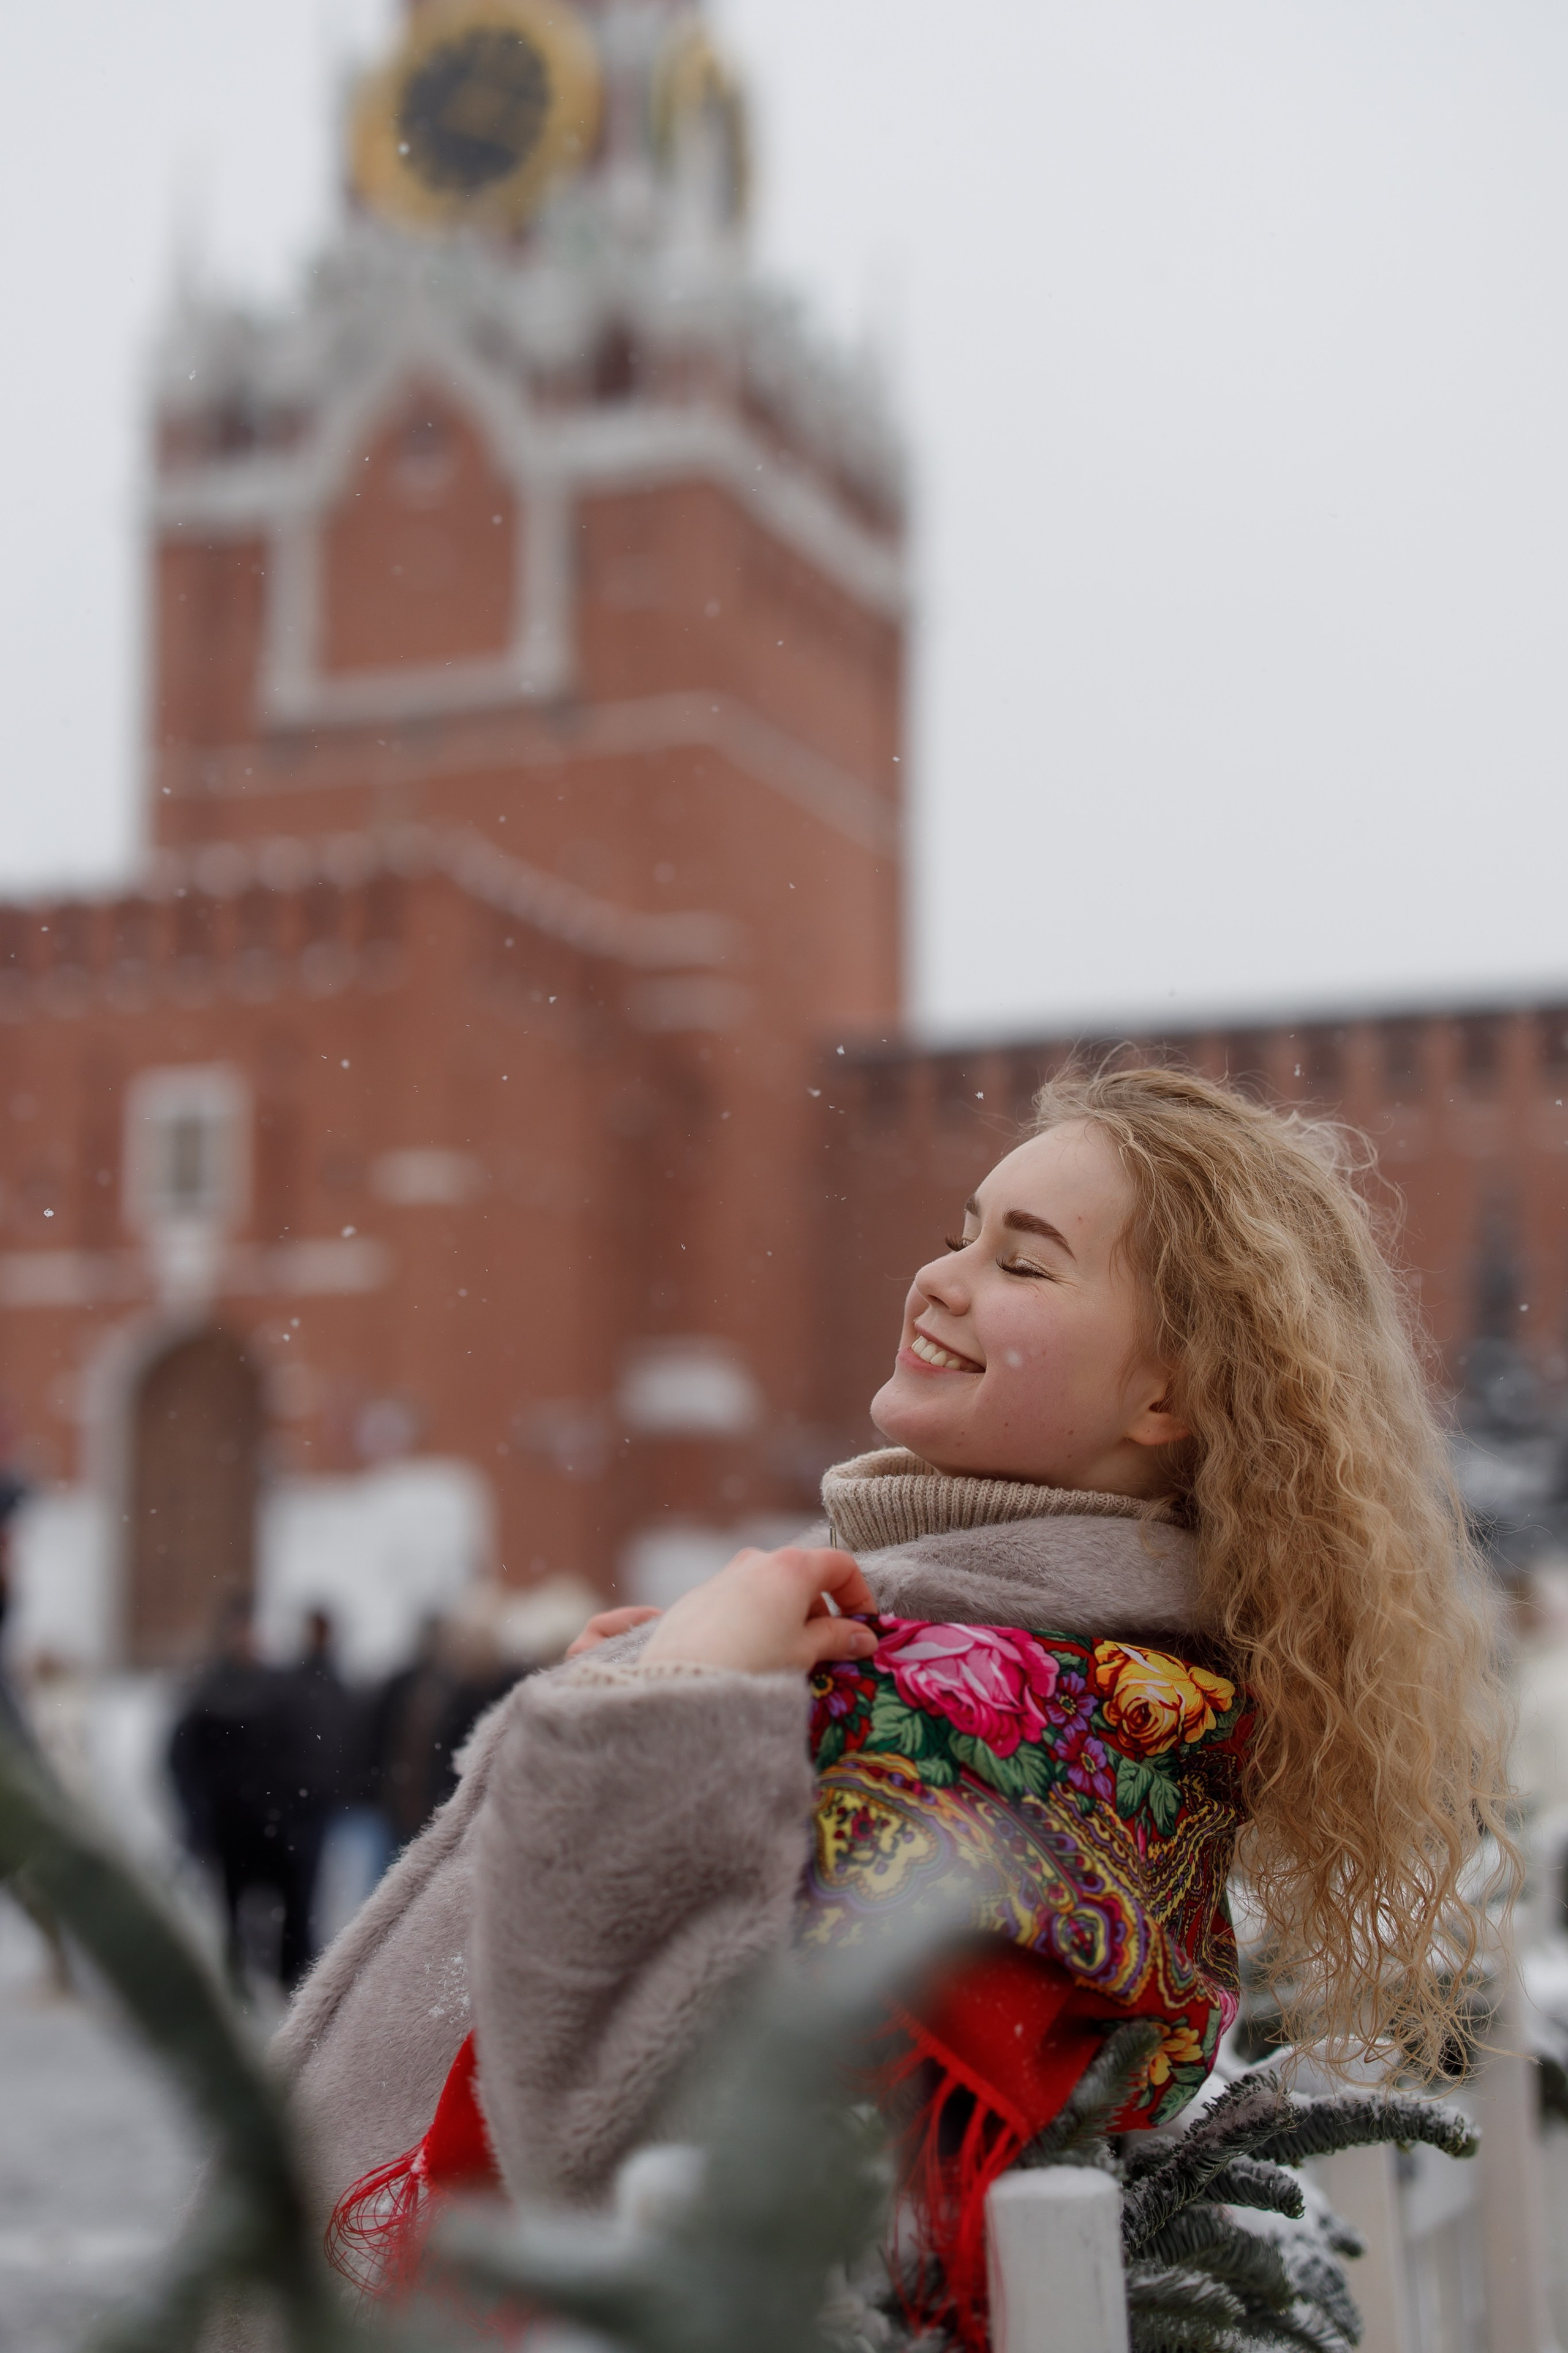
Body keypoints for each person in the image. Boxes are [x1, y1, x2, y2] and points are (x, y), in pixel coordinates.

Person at [270, 1067, 1515, 2343]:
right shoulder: (1052, 1687)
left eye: (1024, 1265)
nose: (940, 1279)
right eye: (956, 1234)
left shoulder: (983, 1714)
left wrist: (667, 1723)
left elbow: (629, 2172)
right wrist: (666, 1689)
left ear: (1166, 1395)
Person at [168, 1601, 343, 1993]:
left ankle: (286, 1984)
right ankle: (236, 1984)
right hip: (229, 1823)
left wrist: (292, 1803)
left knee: (291, 1914)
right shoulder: (209, 1690)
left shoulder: (277, 1687)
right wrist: (199, 1814)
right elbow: (185, 1761)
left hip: (274, 1822)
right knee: (232, 1914)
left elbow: (297, 1747)